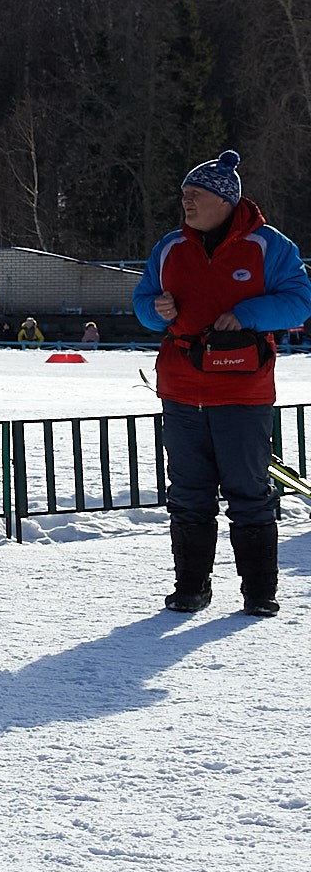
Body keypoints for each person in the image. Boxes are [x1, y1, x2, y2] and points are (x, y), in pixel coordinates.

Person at [134, 150, 311, 616]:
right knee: (187, 494)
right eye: (184, 195)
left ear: (225, 200)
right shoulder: (169, 246)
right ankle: (191, 588)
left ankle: (259, 593)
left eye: (196, 195)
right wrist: (154, 310)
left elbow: (299, 303)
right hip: (180, 388)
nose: (186, 203)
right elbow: (141, 300)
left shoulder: (270, 245)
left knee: (248, 492)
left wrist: (249, 314)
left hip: (242, 390)